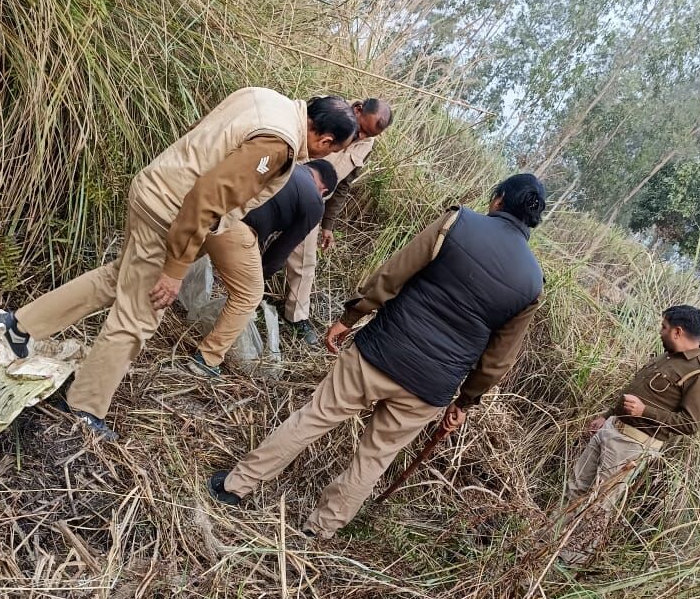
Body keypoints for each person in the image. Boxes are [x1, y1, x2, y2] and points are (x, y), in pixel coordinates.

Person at [0, 90, 357, 438]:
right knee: (139, 316)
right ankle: (84, 407)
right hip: (169, 214)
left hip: (156, 188)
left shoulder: (267, 100)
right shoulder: (278, 143)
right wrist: (175, 269)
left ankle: (20, 325)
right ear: (324, 140)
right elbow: (207, 197)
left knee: (114, 279)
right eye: (333, 149)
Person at [209, 173, 546, 539]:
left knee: (314, 417)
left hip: (381, 352)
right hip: (430, 388)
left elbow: (393, 273)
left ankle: (235, 487)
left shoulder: (459, 221)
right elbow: (499, 360)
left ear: (497, 199)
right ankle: (318, 531)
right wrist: (465, 401)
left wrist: (351, 315)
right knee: (373, 459)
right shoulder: (532, 282)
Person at [187, 159, 339, 378]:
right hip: (236, 226)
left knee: (186, 255)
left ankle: (134, 291)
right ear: (323, 189)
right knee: (248, 294)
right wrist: (260, 276)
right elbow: (280, 252)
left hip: (209, 206)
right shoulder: (316, 202)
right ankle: (206, 359)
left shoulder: (288, 164)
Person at [565, 305, 700, 511]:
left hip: (632, 445)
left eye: (664, 327)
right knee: (575, 488)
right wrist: (607, 416)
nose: (660, 331)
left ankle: (577, 545)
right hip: (610, 428)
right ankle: (547, 539)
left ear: (678, 331)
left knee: (599, 507)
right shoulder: (668, 356)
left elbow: (690, 423)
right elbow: (637, 392)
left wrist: (645, 412)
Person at [282, 97, 394, 346]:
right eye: (362, 128)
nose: (361, 136)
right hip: (286, 183)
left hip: (314, 203)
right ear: (357, 110)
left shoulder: (367, 144)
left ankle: (296, 317)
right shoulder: (331, 113)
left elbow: (343, 185)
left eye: (369, 134)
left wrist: (328, 225)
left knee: (305, 261)